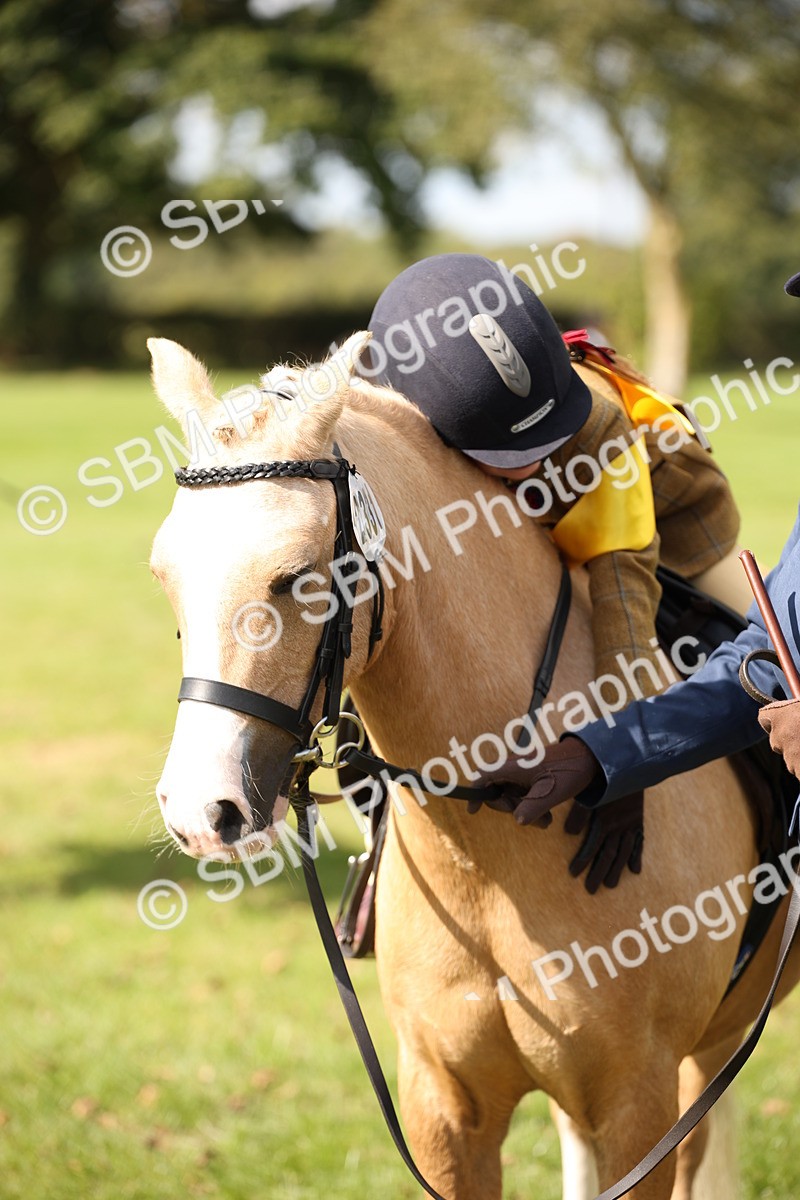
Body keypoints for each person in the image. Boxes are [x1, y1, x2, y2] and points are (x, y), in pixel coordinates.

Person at [365, 252, 744, 889]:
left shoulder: (600, 428)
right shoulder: (425, 433)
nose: (539, 462)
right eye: (514, 455)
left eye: (544, 444)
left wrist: (628, 758)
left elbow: (626, 599)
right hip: (540, 545)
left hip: (679, 541)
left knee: (774, 661)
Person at [473, 271, 800, 831]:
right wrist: (597, 757)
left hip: (691, 537)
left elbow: (624, 587)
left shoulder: (605, 429)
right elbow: (768, 667)